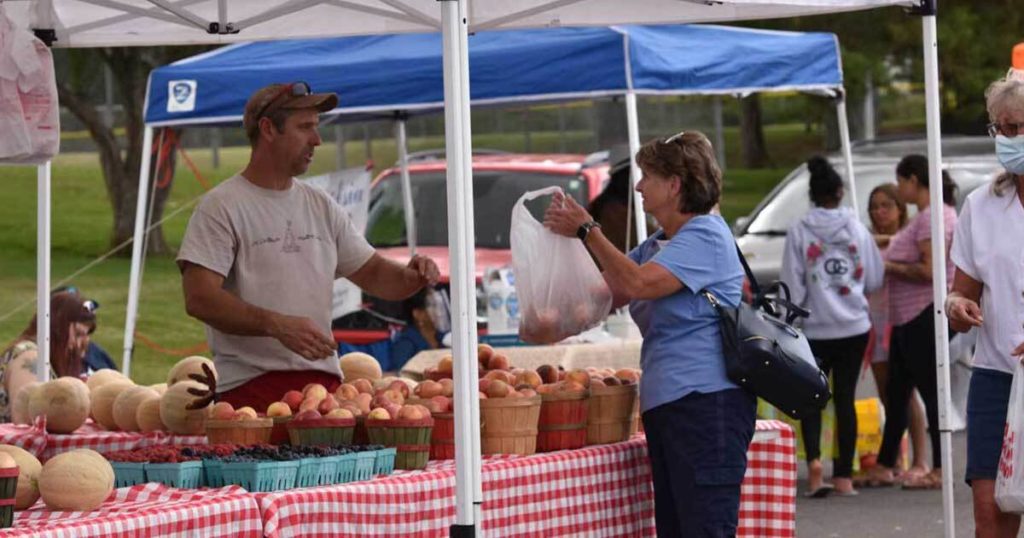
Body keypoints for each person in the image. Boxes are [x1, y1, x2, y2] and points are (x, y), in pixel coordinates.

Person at [177, 82, 439, 412]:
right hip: (251, 393)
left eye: (316, 128)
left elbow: (373, 273)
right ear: (268, 129)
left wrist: (412, 277)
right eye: (305, 128)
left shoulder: (320, 204)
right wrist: (276, 324)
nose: (317, 140)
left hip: (324, 393)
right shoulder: (222, 207)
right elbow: (199, 298)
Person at [544, 131, 752, 536]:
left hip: (706, 406)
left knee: (704, 528)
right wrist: (551, 279)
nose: (637, 186)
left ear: (674, 185)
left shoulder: (706, 236)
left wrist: (589, 230)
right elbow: (604, 294)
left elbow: (638, 285)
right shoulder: (661, 243)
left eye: (647, 177)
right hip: (674, 406)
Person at [947, 76, 1024, 538]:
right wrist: (956, 306)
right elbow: (963, 292)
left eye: (1019, 127)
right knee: (990, 518)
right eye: (1003, 129)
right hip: (996, 377)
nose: (1011, 139)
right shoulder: (981, 205)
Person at [780, 156, 884, 497]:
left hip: (814, 329)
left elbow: (792, 285)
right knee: (846, 399)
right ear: (840, 192)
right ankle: (844, 477)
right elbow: (874, 276)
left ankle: (813, 467)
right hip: (853, 326)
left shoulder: (798, 231)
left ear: (812, 194)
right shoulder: (856, 228)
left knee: (811, 399)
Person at [863, 154, 958, 490]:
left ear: (914, 181)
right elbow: (896, 245)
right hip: (906, 318)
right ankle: (886, 462)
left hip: (923, 313)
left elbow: (930, 270)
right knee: (898, 390)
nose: (900, 187)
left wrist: (887, 268)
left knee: (931, 392)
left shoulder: (931, 218)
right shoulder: (928, 217)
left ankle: (939, 466)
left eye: (901, 181)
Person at [862, 184, 930, 481]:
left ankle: (921, 458)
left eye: (886, 205)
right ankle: (894, 458)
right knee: (887, 393)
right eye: (874, 206)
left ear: (900, 208)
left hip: (901, 318)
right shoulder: (867, 239)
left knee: (908, 394)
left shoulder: (908, 238)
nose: (879, 212)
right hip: (873, 321)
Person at [0, 292, 95, 422]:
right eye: (77, 334)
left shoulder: (44, 357)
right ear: (57, 327)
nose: (76, 345)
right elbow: (27, 421)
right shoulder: (29, 354)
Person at [388, 288, 444, 372]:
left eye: (439, 305)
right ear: (417, 314)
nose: (440, 312)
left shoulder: (445, 338)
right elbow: (401, 375)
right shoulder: (406, 344)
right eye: (433, 306)